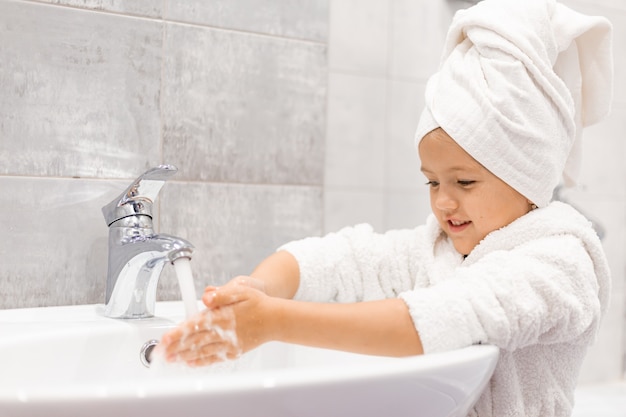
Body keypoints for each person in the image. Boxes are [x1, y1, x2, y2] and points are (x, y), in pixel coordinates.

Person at [157, 0, 614, 415]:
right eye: (432, 181)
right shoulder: (439, 250)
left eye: (464, 181)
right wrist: (262, 286)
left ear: (527, 175)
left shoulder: (561, 261)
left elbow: (443, 318)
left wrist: (272, 320)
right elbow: (342, 260)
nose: (442, 200)